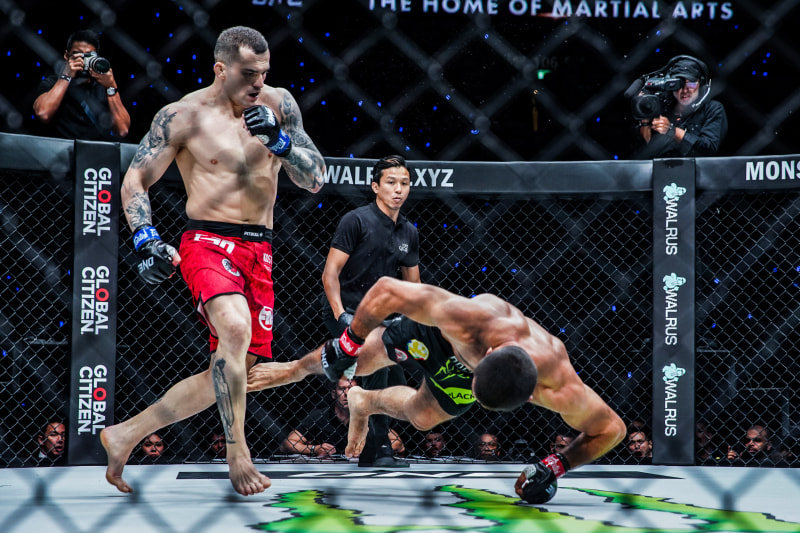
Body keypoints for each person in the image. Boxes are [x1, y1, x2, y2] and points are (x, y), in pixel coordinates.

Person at [100, 25, 325, 497]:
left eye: (264, 73)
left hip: (260, 248)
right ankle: (237, 452)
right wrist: (145, 238)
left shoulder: (280, 104)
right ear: (220, 69)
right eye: (248, 73)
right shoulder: (182, 116)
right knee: (236, 332)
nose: (258, 83)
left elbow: (315, 179)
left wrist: (281, 144)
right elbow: (135, 180)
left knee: (230, 368)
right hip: (206, 240)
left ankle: (124, 434)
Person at [247, 278, 626, 504]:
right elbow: (387, 290)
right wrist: (349, 341)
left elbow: (611, 429)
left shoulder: (559, 385)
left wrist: (556, 465)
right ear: (487, 355)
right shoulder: (473, 320)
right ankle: (293, 370)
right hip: (437, 338)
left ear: (532, 397)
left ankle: (365, 401)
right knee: (352, 362)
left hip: (476, 371)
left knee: (422, 417)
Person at [321, 154, 419, 468]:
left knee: (397, 375)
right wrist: (341, 316)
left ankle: (371, 449)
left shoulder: (408, 231)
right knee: (380, 368)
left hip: (384, 318)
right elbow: (330, 274)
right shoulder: (356, 220)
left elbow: (414, 286)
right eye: (391, 182)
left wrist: (414, 321)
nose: (398, 189)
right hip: (347, 311)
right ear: (376, 186)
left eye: (404, 183)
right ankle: (380, 449)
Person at [33, 29, 130, 140]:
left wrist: (111, 86)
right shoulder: (53, 82)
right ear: (67, 55)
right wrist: (65, 76)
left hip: (95, 148)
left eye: (88, 56)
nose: (83, 61)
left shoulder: (102, 87)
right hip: (62, 147)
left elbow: (122, 130)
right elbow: (43, 114)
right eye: (78, 55)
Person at [281, 378, 404, 458]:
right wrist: (314, 449)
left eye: (352, 389)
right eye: (342, 389)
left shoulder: (368, 416)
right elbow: (287, 444)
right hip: (328, 471)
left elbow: (398, 443)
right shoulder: (320, 416)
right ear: (333, 393)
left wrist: (370, 449)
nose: (347, 393)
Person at [633, 55, 727, 159]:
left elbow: (708, 150)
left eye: (691, 84)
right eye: (679, 84)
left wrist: (672, 131)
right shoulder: (662, 106)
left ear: (700, 84)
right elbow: (645, 152)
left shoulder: (713, 108)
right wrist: (645, 119)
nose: (685, 90)